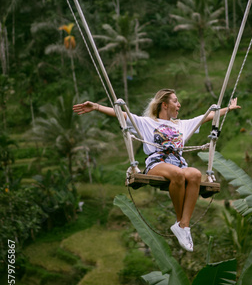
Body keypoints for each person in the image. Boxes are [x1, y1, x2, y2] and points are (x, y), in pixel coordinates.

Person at [73, 89, 240, 252]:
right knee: (178, 174)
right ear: (164, 105)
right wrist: (97, 107)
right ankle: (179, 221)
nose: (179, 104)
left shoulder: (182, 124)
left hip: (178, 162)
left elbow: (209, 116)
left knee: (195, 174)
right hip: (157, 163)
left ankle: (183, 226)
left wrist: (229, 109)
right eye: (175, 101)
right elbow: (122, 114)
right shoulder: (147, 122)